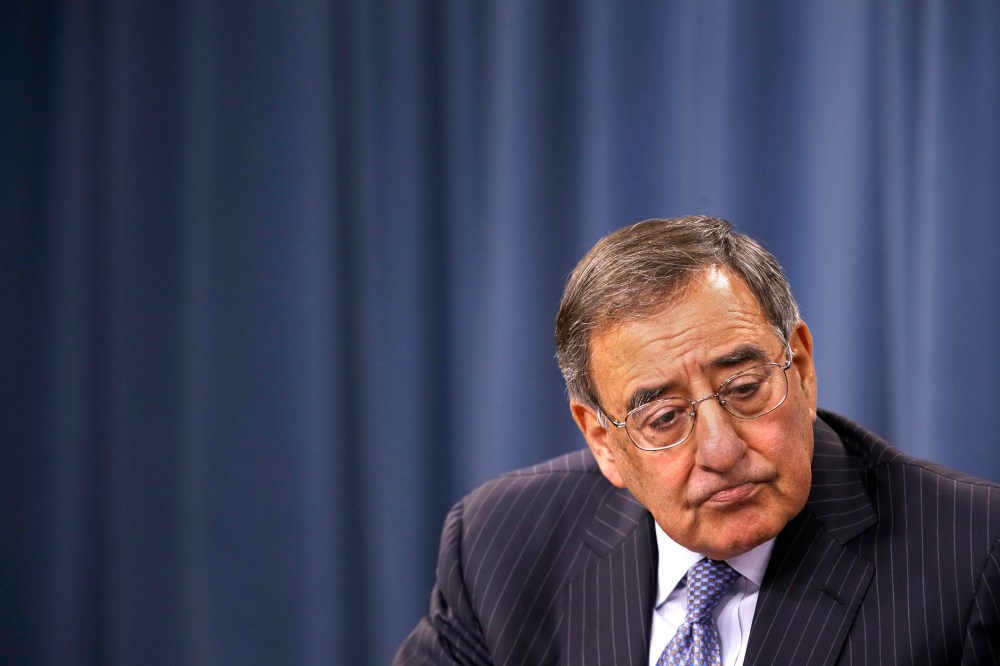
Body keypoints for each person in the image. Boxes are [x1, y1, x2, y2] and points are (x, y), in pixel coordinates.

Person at [394, 216, 1000, 665]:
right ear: (603, 440)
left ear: (803, 368)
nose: (721, 450)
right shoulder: (500, 545)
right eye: (663, 419)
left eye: (743, 388)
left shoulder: (973, 556)